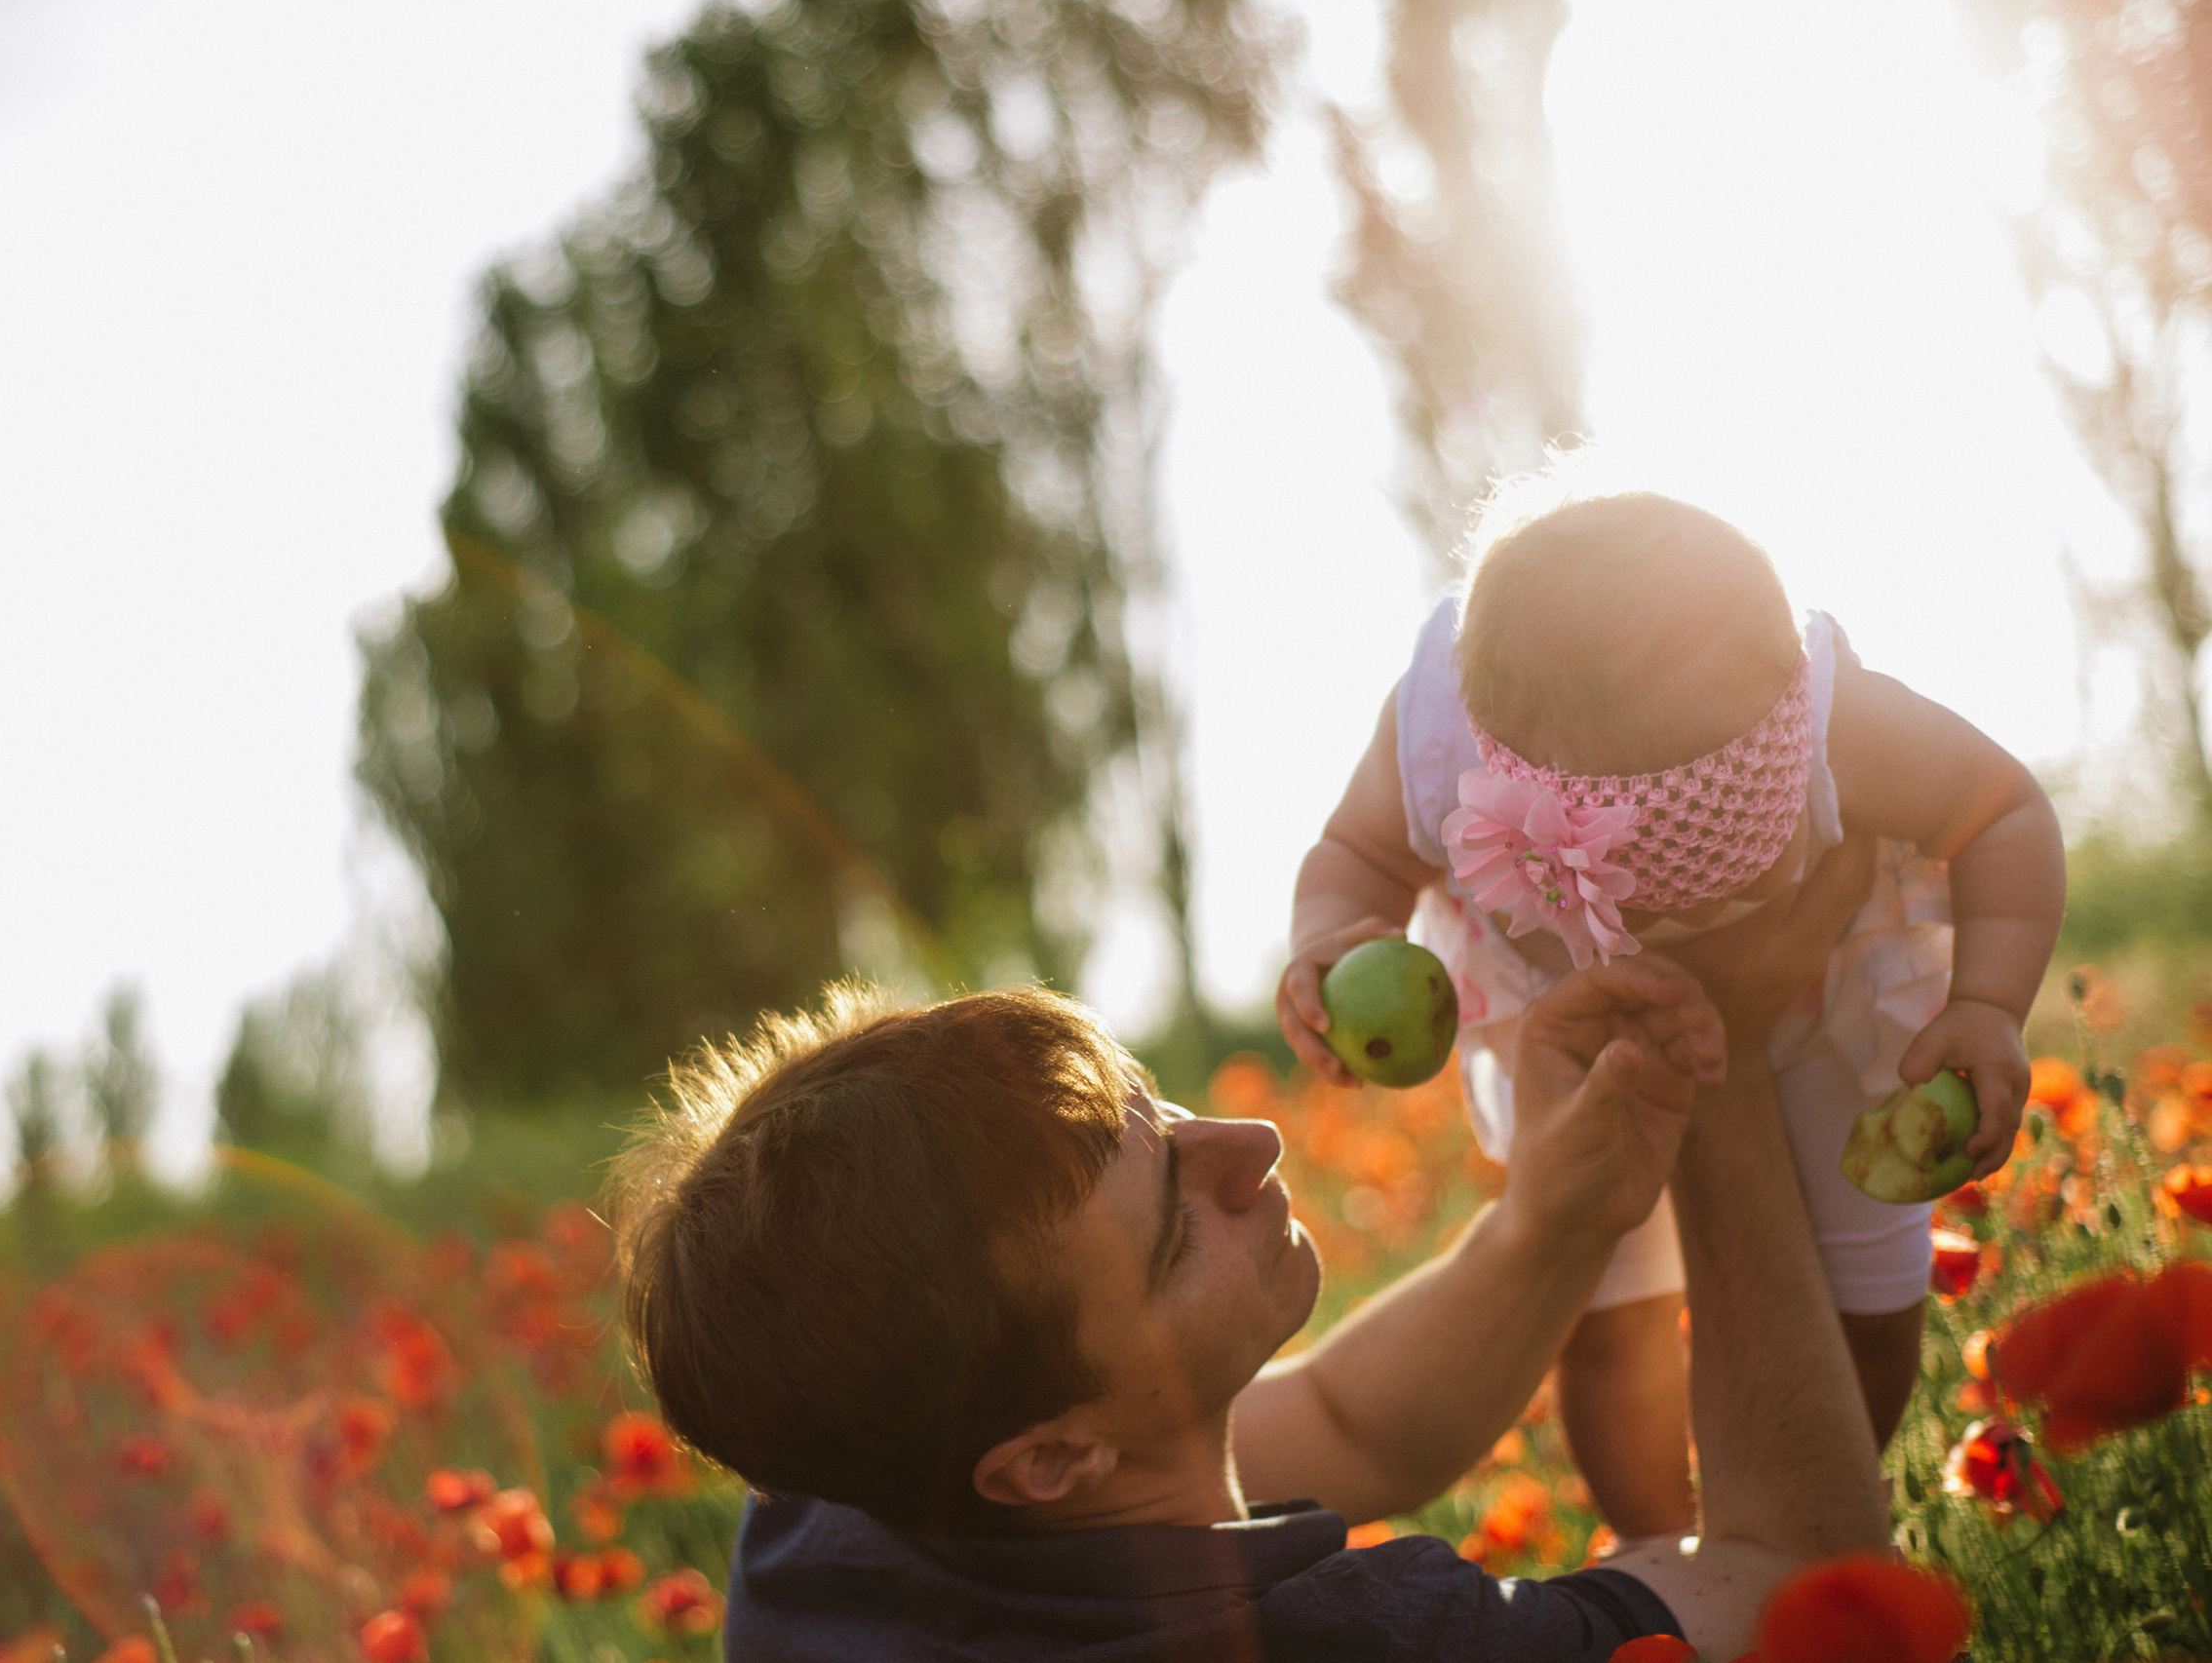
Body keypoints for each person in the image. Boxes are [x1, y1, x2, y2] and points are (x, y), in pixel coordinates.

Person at [609, 835, 1894, 1659]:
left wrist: (1557, 1211)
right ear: (1052, 1456)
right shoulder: (1345, 1645)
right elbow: (1810, 1582)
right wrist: (1723, 1052)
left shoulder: (835, 1517)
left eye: (1153, 1107)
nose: (1253, 1140)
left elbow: (1352, 1423)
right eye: (1175, 1225)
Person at [1280, 475, 2064, 1545]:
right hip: (1570, 1032)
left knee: (1869, 1305)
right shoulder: (1432, 732)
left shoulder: (1837, 718)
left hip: (1821, 1007)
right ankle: (1656, 1547)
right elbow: (1358, 850)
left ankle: (1815, 1490)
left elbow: (2001, 807)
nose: (1671, 919)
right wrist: (1332, 939)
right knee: (1601, 1313)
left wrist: (1987, 1002)